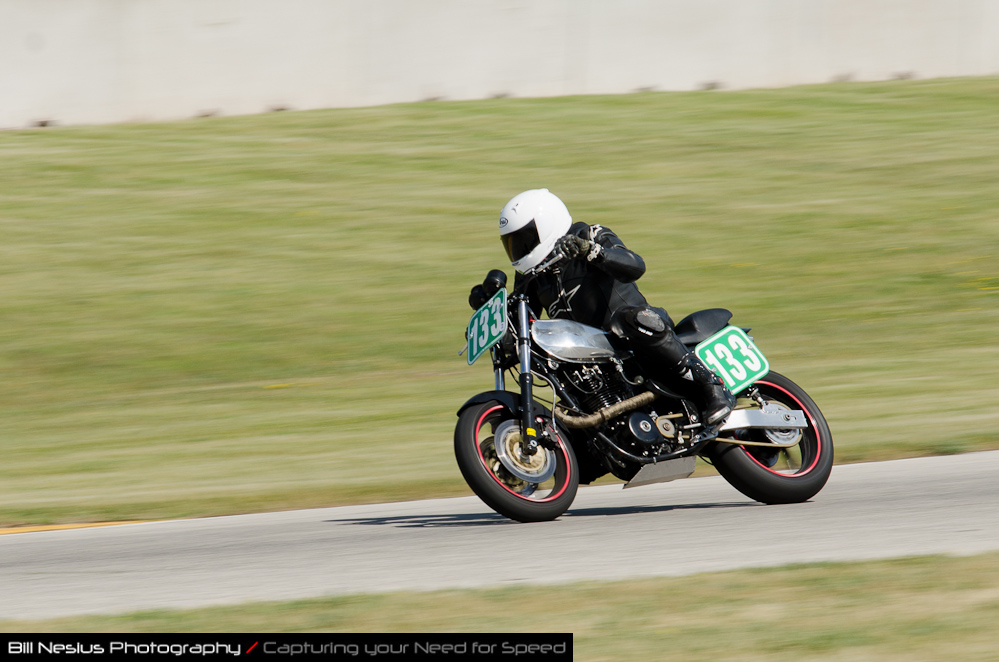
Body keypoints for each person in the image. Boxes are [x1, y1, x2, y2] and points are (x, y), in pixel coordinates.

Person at [493, 188, 736, 425]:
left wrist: (591, 252)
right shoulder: (532, 275)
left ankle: (710, 384)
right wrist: (492, 309)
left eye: (525, 240)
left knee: (628, 319)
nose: (520, 250)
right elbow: (524, 322)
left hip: (637, 335)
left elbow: (635, 266)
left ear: (546, 223)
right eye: (513, 243)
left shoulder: (588, 234)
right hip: (592, 356)